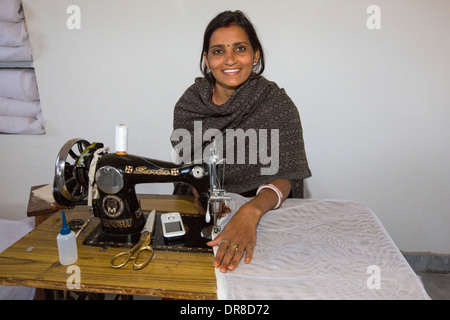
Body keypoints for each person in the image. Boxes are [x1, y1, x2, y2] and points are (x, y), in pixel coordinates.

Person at [171, 10, 311, 273]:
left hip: (263, 210)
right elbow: (189, 172)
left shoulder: (276, 104)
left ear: (255, 55)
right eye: (218, 51)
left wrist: (250, 212)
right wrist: (201, 196)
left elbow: (288, 176)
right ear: (206, 59)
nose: (230, 59)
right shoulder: (189, 105)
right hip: (203, 213)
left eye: (240, 48)